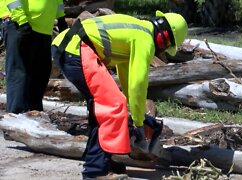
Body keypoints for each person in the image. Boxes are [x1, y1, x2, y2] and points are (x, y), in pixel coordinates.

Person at [51, 10, 188, 179]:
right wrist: (138, 124)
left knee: (102, 107)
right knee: (112, 106)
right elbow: (138, 84)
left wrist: (136, 114)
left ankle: (102, 160)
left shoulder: (137, 30)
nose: (163, 50)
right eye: (167, 46)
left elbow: (127, 80)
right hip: (78, 48)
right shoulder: (145, 40)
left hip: (69, 45)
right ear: (164, 37)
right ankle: (95, 171)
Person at [3, 0, 67, 113]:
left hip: (44, 29)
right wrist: (22, 21)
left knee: (41, 74)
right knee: (19, 74)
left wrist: (61, 19)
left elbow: (56, 2)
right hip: (21, 24)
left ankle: (35, 115)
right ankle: (17, 115)